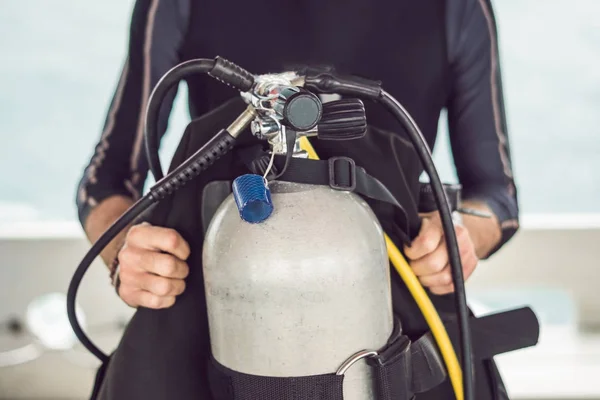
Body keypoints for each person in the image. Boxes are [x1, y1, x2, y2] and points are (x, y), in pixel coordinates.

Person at [76, 0, 519, 398]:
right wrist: (125, 255)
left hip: (397, 318)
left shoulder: (458, 8)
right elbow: (106, 182)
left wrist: (458, 239)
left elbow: (495, 198)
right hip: (217, 304)